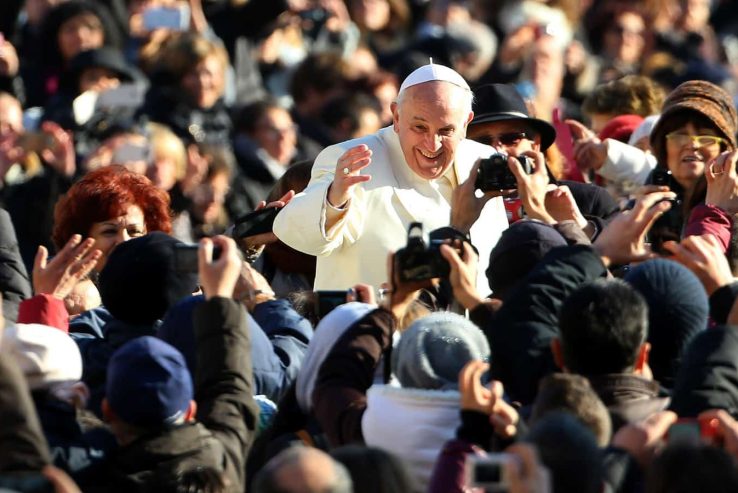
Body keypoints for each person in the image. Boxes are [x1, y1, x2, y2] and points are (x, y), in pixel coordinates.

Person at [273, 62, 508, 291]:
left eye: (446, 131)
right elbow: (297, 233)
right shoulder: (349, 159)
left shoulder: (482, 160)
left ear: (466, 124)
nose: (432, 144)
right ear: (396, 116)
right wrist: (334, 199)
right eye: (419, 127)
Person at [94, 235, 258, 493]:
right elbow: (229, 387)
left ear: (107, 410)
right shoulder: (220, 463)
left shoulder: (92, 475)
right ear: (191, 410)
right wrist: (220, 299)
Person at [52, 165, 172, 274]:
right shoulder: (67, 296)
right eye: (109, 231)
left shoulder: (165, 293)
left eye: (134, 231)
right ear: (82, 239)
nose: (124, 241)